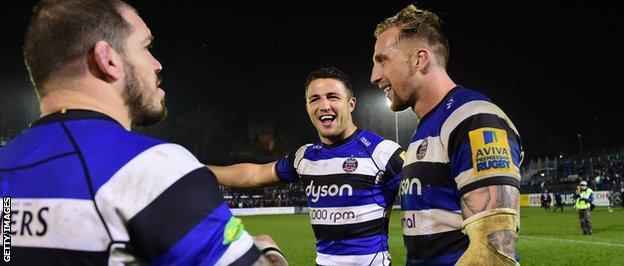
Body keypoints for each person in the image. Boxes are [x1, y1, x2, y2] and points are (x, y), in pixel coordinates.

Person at [0, 1, 286, 265]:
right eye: (146, 47)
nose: (157, 64)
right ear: (107, 59)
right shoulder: (154, 167)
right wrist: (267, 250)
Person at [370, 4, 522, 265]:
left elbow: (495, 254)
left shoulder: (474, 119)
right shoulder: (429, 126)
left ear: (419, 59)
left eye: (382, 60)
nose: (374, 76)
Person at [209, 67, 404, 265]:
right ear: (307, 107)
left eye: (333, 97)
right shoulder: (304, 157)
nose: (324, 105)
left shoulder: (382, 153)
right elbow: (254, 174)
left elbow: (425, 207)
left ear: (351, 104)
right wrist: (196, 170)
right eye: (315, 99)